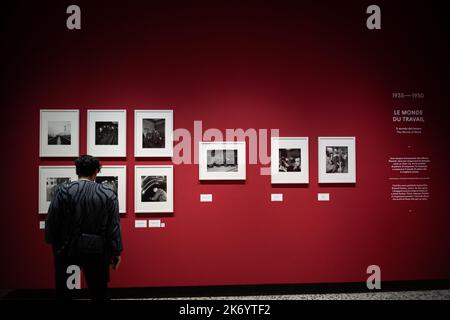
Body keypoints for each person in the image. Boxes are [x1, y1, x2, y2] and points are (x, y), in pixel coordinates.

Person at [45, 155, 123, 300]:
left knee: (67, 292)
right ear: (96, 172)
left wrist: (54, 244)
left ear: (77, 171)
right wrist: (116, 250)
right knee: (99, 292)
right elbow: (113, 226)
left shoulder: (63, 191)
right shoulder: (108, 194)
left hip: (68, 250)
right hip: (97, 251)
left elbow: (53, 220)